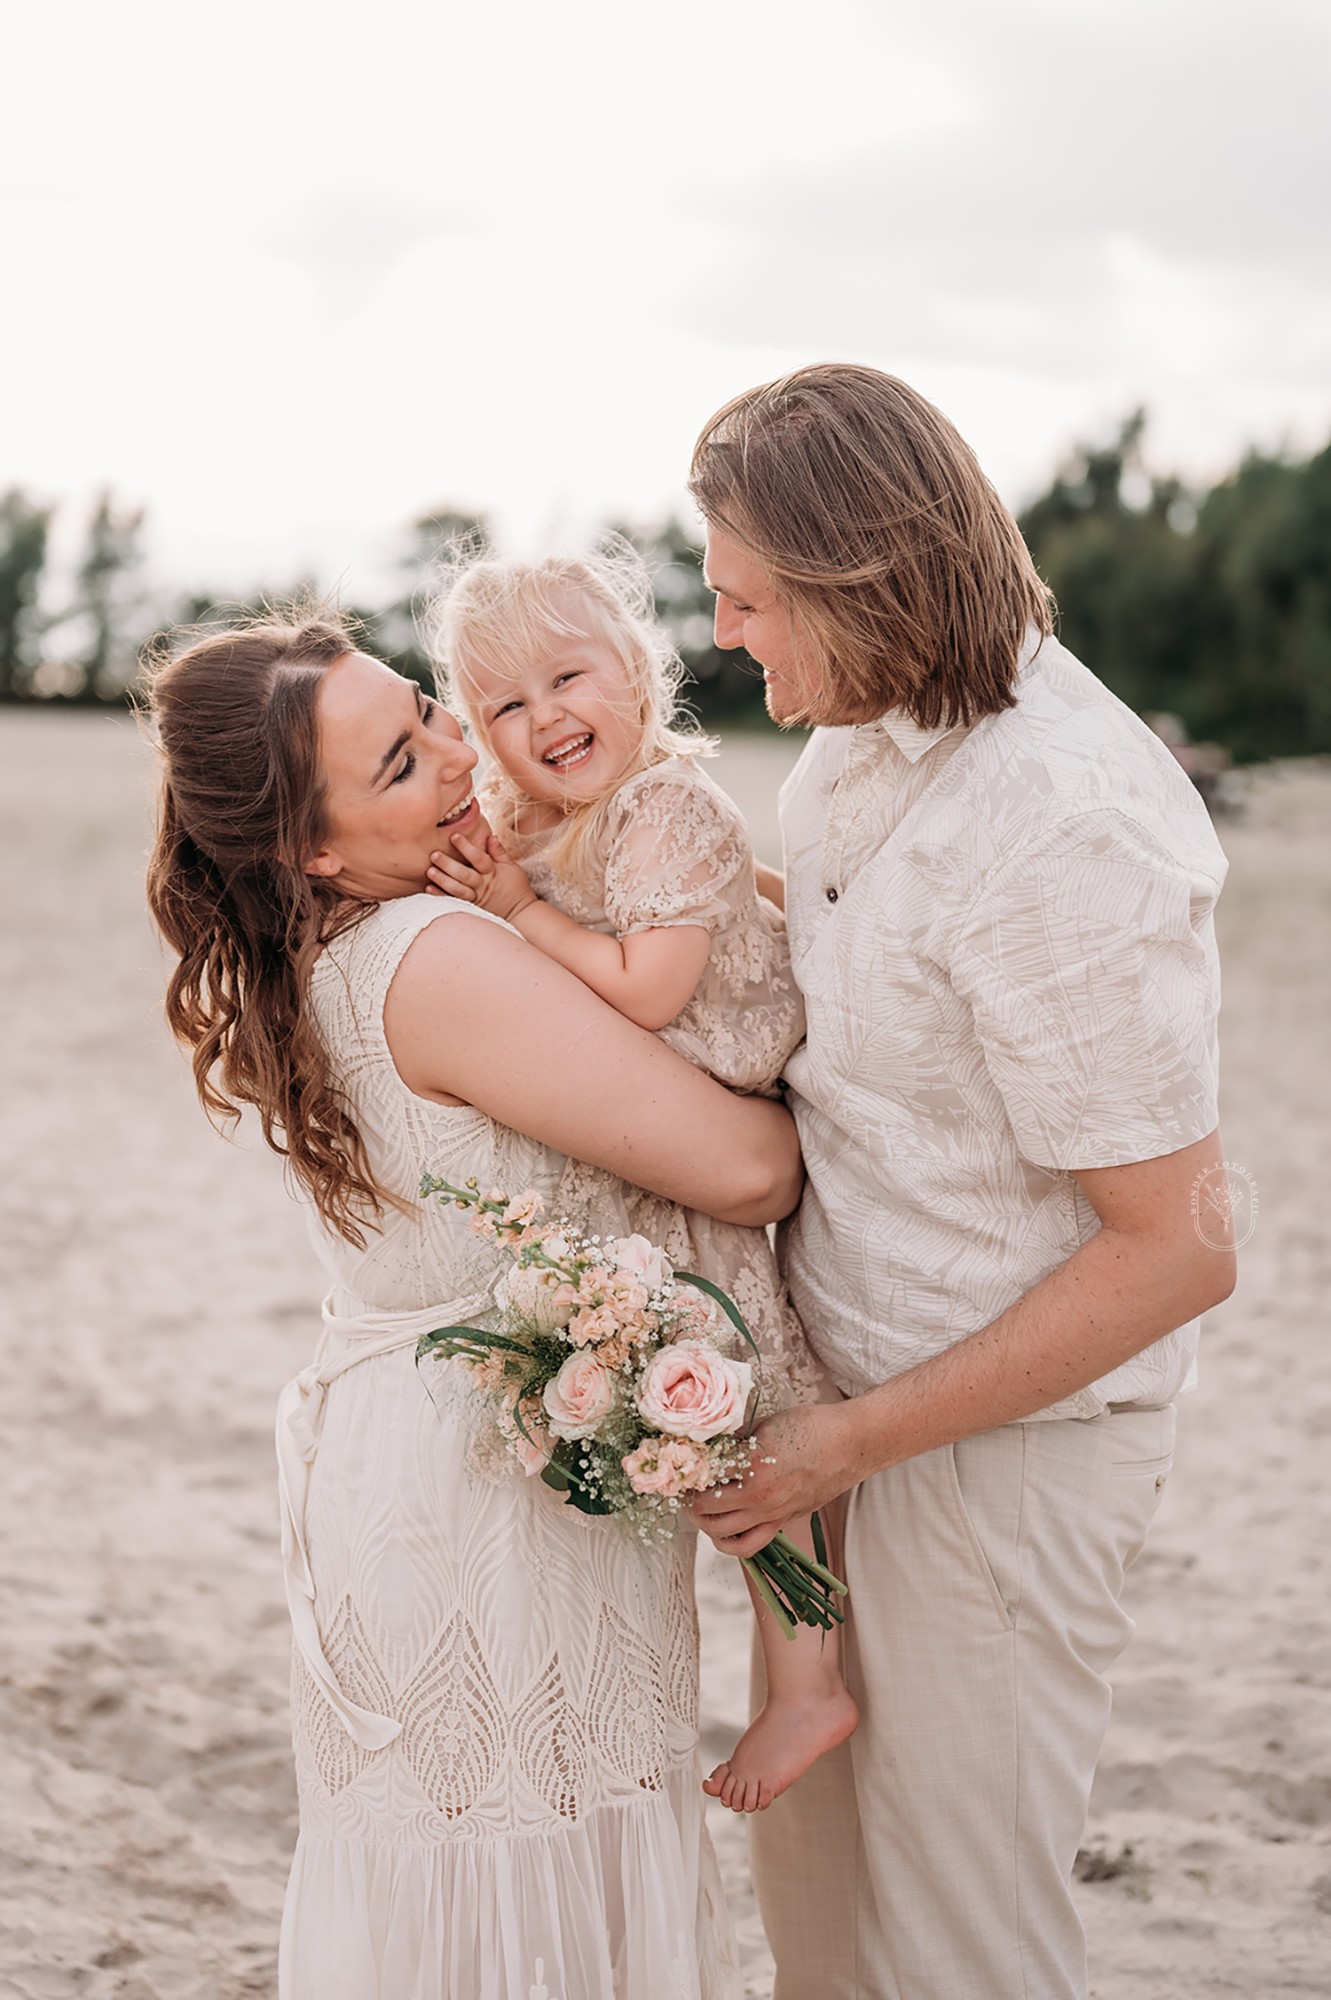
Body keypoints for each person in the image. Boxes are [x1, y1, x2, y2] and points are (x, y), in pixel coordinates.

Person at [145, 613, 805, 2000]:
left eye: (429, 711)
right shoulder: (435, 955)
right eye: (399, 764)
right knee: (528, 1913)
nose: (459, 754)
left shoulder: (307, 962)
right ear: (310, 850)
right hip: (486, 1507)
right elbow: (748, 1170)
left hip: (402, 1471)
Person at [685, 364, 1238, 2000]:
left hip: (1002, 1453)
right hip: (838, 1413)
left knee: (959, 1947)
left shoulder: (1060, 811)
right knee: (826, 1932)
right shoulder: (851, 739)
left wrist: (835, 1448)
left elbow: (1177, 1249)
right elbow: (871, 969)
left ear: (857, 577)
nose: (729, 636)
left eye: (747, 599)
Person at [421, 542, 858, 1814]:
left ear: (638, 666)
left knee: (753, 1421)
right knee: (672, 1423)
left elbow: (647, 989)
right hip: (648, 1142)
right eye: (504, 703)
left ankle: (807, 1680)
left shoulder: (668, 806)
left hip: (712, 1103)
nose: (544, 715)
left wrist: (516, 908)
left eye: (569, 675)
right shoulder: (540, 822)